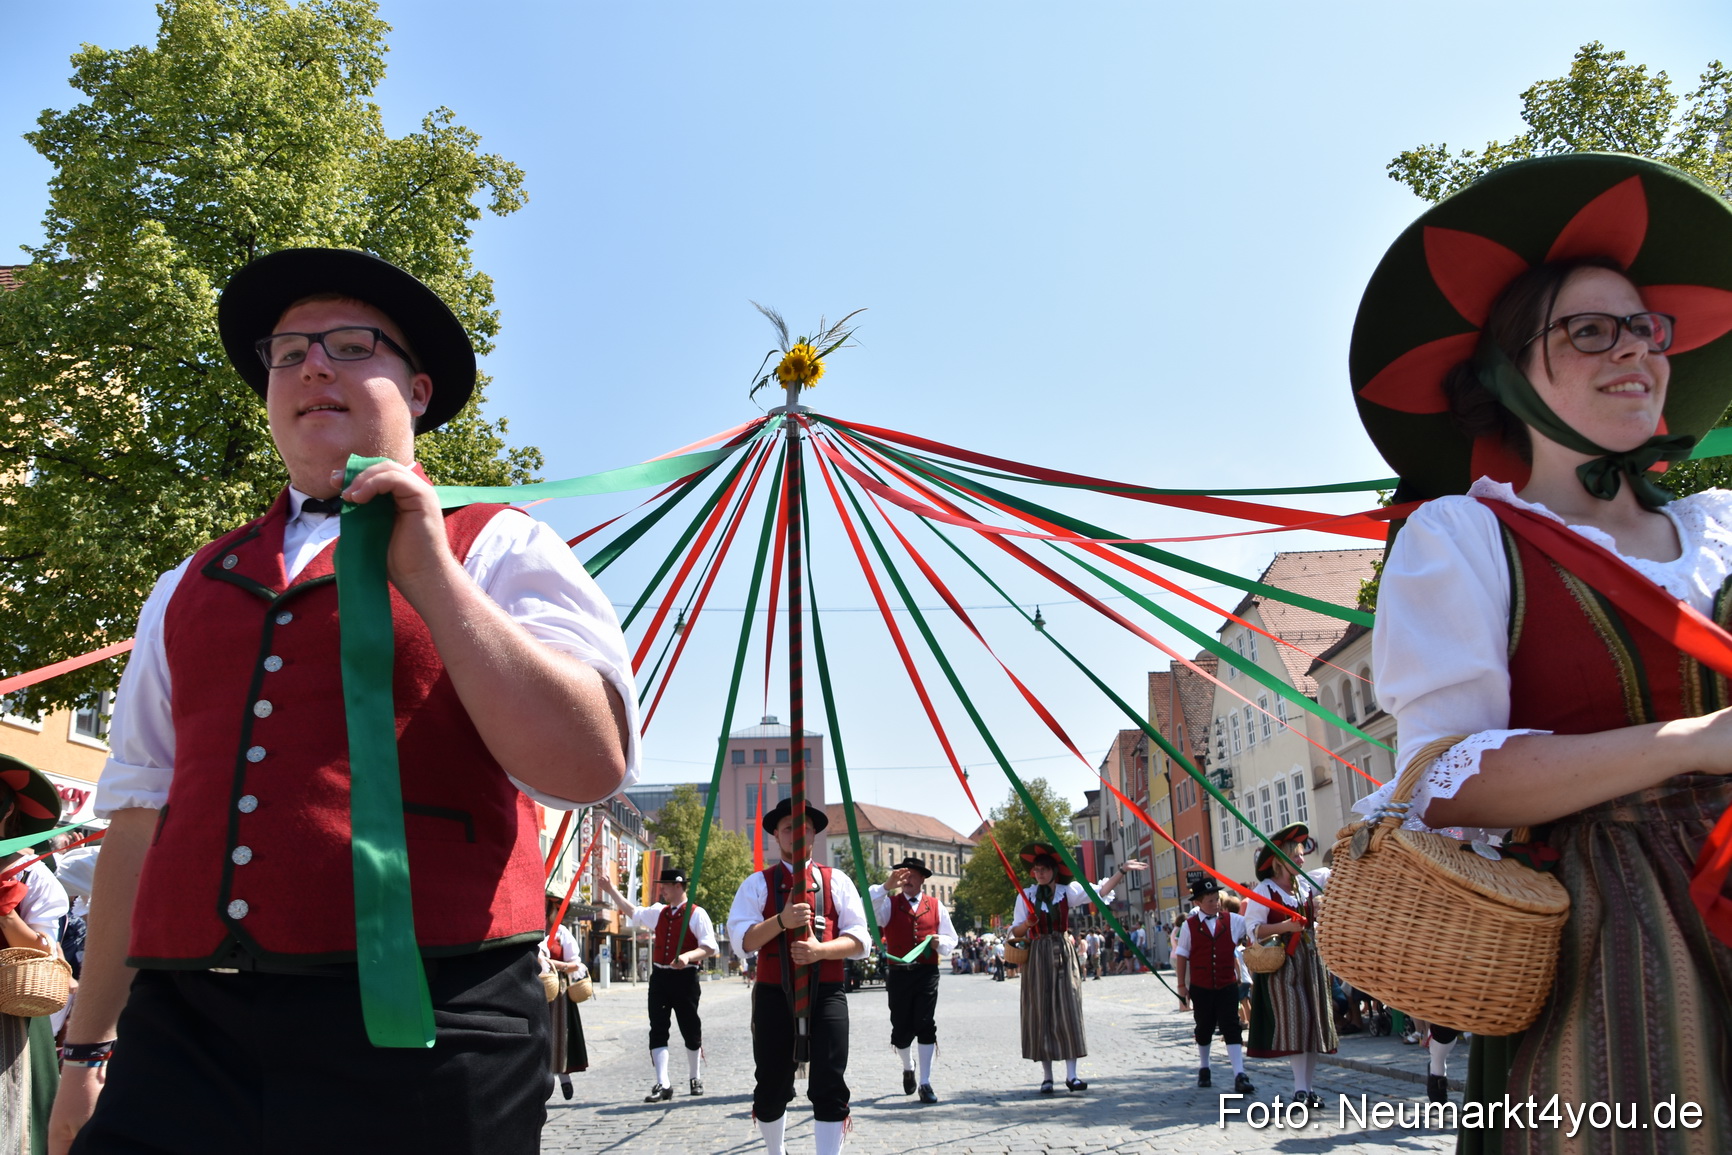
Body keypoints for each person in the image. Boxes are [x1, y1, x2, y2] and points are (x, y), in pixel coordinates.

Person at [51, 249, 639, 1155]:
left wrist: (433, 578)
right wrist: (87, 1051)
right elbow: (138, 815)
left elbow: (588, 763)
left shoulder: (500, 547)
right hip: (187, 1031)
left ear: (418, 388)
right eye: (287, 353)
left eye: (351, 344)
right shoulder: (188, 583)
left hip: (432, 1028)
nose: (312, 365)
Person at [1349, 153, 1732, 1155]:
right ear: (1507, 372)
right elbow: (1443, 779)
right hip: (1614, 943)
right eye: (1588, 330)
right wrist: (1688, 742)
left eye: (1646, 326)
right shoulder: (1464, 540)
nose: (1636, 351)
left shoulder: (1724, 524)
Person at [727, 799, 869, 1155]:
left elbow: (861, 939)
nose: (797, 833)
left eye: (804, 827)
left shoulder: (837, 880)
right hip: (774, 993)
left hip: (828, 992)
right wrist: (780, 922)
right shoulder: (757, 884)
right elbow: (742, 943)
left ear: (815, 833)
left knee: (830, 1082)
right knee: (772, 1084)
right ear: (776, 834)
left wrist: (821, 950)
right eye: (789, 827)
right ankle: (777, 1151)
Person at [1006, 843, 1146, 1093]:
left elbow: (1100, 891)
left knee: (1069, 1006)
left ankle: (1072, 1075)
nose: (1040, 874)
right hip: (1037, 954)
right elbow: (1014, 932)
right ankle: (1047, 1077)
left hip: (1062, 950)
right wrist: (1027, 924)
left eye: (1044, 869)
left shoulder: (1066, 892)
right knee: (1040, 1011)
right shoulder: (1025, 896)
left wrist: (1122, 871)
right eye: (1036, 870)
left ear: (1054, 871)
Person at [598, 865, 718, 1101]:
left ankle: (695, 1076)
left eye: (664, 886)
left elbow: (709, 947)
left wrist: (687, 956)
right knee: (658, 1028)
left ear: (678, 886)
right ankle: (663, 1083)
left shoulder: (697, 913)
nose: (661, 890)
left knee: (689, 1027)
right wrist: (611, 890)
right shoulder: (659, 913)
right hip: (660, 977)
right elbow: (633, 912)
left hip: (685, 978)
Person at [1, 756, 70, 1155]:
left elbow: (44, 956)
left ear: (10, 807)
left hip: (11, 1021)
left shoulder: (32, 872)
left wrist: (5, 910)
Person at [1243, 823, 1335, 1108]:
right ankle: (1299, 1090)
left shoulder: (1305, 885)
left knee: (1314, 1025)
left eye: (1301, 854)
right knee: (1298, 1021)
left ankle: (1306, 1090)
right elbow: (1253, 930)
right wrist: (1284, 925)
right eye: (1295, 855)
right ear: (1279, 859)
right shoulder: (1265, 889)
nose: (1302, 859)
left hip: (1310, 960)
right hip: (1283, 965)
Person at [868, 855, 958, 1104]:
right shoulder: (889, 904)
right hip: (898, 973)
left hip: (926, 972)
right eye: (903, 875)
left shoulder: (935, 905)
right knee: (900, 1026)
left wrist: (942, 943)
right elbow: (870, 908)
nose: (907, 879)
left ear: (922, 879)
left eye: (912, 875)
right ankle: (909, 1066)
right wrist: (886, 886)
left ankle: (926, 1082)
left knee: (926, 1022)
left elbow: (952, 938)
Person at [1173, 878, 1255, 1095]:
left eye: (1216, 899)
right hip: (1201, 986)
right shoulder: (1188, 926)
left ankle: (1239, 1074)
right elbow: (1182, 956)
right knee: (1204, 1027)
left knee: (1231, 1026)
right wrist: (1182, 987)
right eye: (1209, 901)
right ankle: (1204, 1067)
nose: (1215, 904)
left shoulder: (1234, 921)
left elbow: (1252, 931)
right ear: (1198, 903)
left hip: (1227, 983)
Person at [541, 906, 589, 1101]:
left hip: (557, 991)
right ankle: (540, 1082)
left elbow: (575, 964)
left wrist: (555, 964)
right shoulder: (533, 931)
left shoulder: (562, 933)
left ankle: (564, 1078)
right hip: (534, 988)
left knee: (559, 1035)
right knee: (538, 1036)